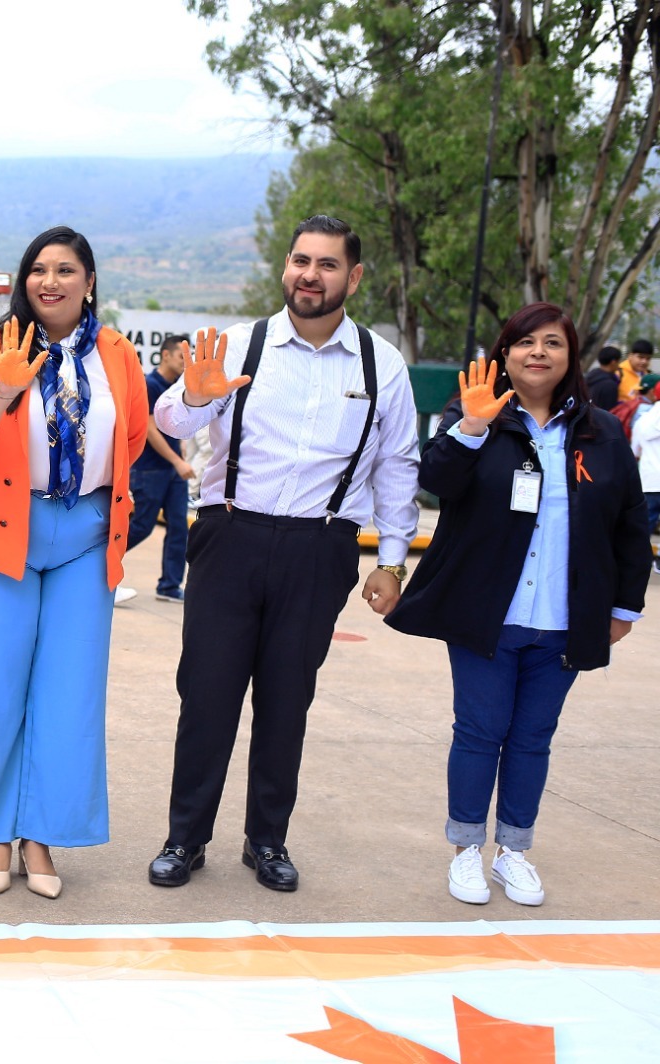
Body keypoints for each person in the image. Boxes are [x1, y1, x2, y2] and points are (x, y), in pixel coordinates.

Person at [146, 215, 420, 892]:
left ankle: (266, 840)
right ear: (284, 268)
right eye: (301, 260)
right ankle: (186, 838)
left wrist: (390, 560)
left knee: (286, 700)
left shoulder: (381, 365)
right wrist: (193, 397)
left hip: (320, 547)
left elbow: (397, 466)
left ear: (352, 278)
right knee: (206, 695)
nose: (310, 275)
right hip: (230, 535)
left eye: (327, 265)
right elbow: (170, 423)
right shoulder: (241, 344)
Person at [384, 304, 648, 906]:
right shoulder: (477, 416)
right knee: (480, 731)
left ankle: (514, 852)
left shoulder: (601, 432)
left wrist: (623, 608)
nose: (538, 352)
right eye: (524, 342)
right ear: (503, 355)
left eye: (552, 343)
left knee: (533, 737)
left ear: (569, 357)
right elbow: (435, 482)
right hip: (488, 616)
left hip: (563, 619)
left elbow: (629, 524)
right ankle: (466, 850)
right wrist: (471, 428)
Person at [0, 226, 149, 898]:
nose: (49, 281)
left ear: (90, 281)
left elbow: (136, 436)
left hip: (85, 537)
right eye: (38, 269)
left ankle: (42, 836)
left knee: (69, 697)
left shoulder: (116, 354)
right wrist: (3, 392)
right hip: (6, 532)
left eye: (65, 269)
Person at [122, 334, 194, 603]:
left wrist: (181, 451)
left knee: (179, 528)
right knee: (142, 526)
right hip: (150, 468)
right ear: (165, 355)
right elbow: (150, 428)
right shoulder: (150, 384)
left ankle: (169, 586)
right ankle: (95, 566)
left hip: (174, 471)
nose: (186, 363)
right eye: (181, 357)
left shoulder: (179, 386)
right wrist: (176, 460)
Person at [633, 374, 660, 542]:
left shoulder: (642, 421)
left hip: (649, 481)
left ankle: (641, 564)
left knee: (643, 529)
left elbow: (634, 452)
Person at [585, 345, 622, 411]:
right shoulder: (610, 385)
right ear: (613, 362)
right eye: (618, 361)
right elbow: (609, 411)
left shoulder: (591, 375)